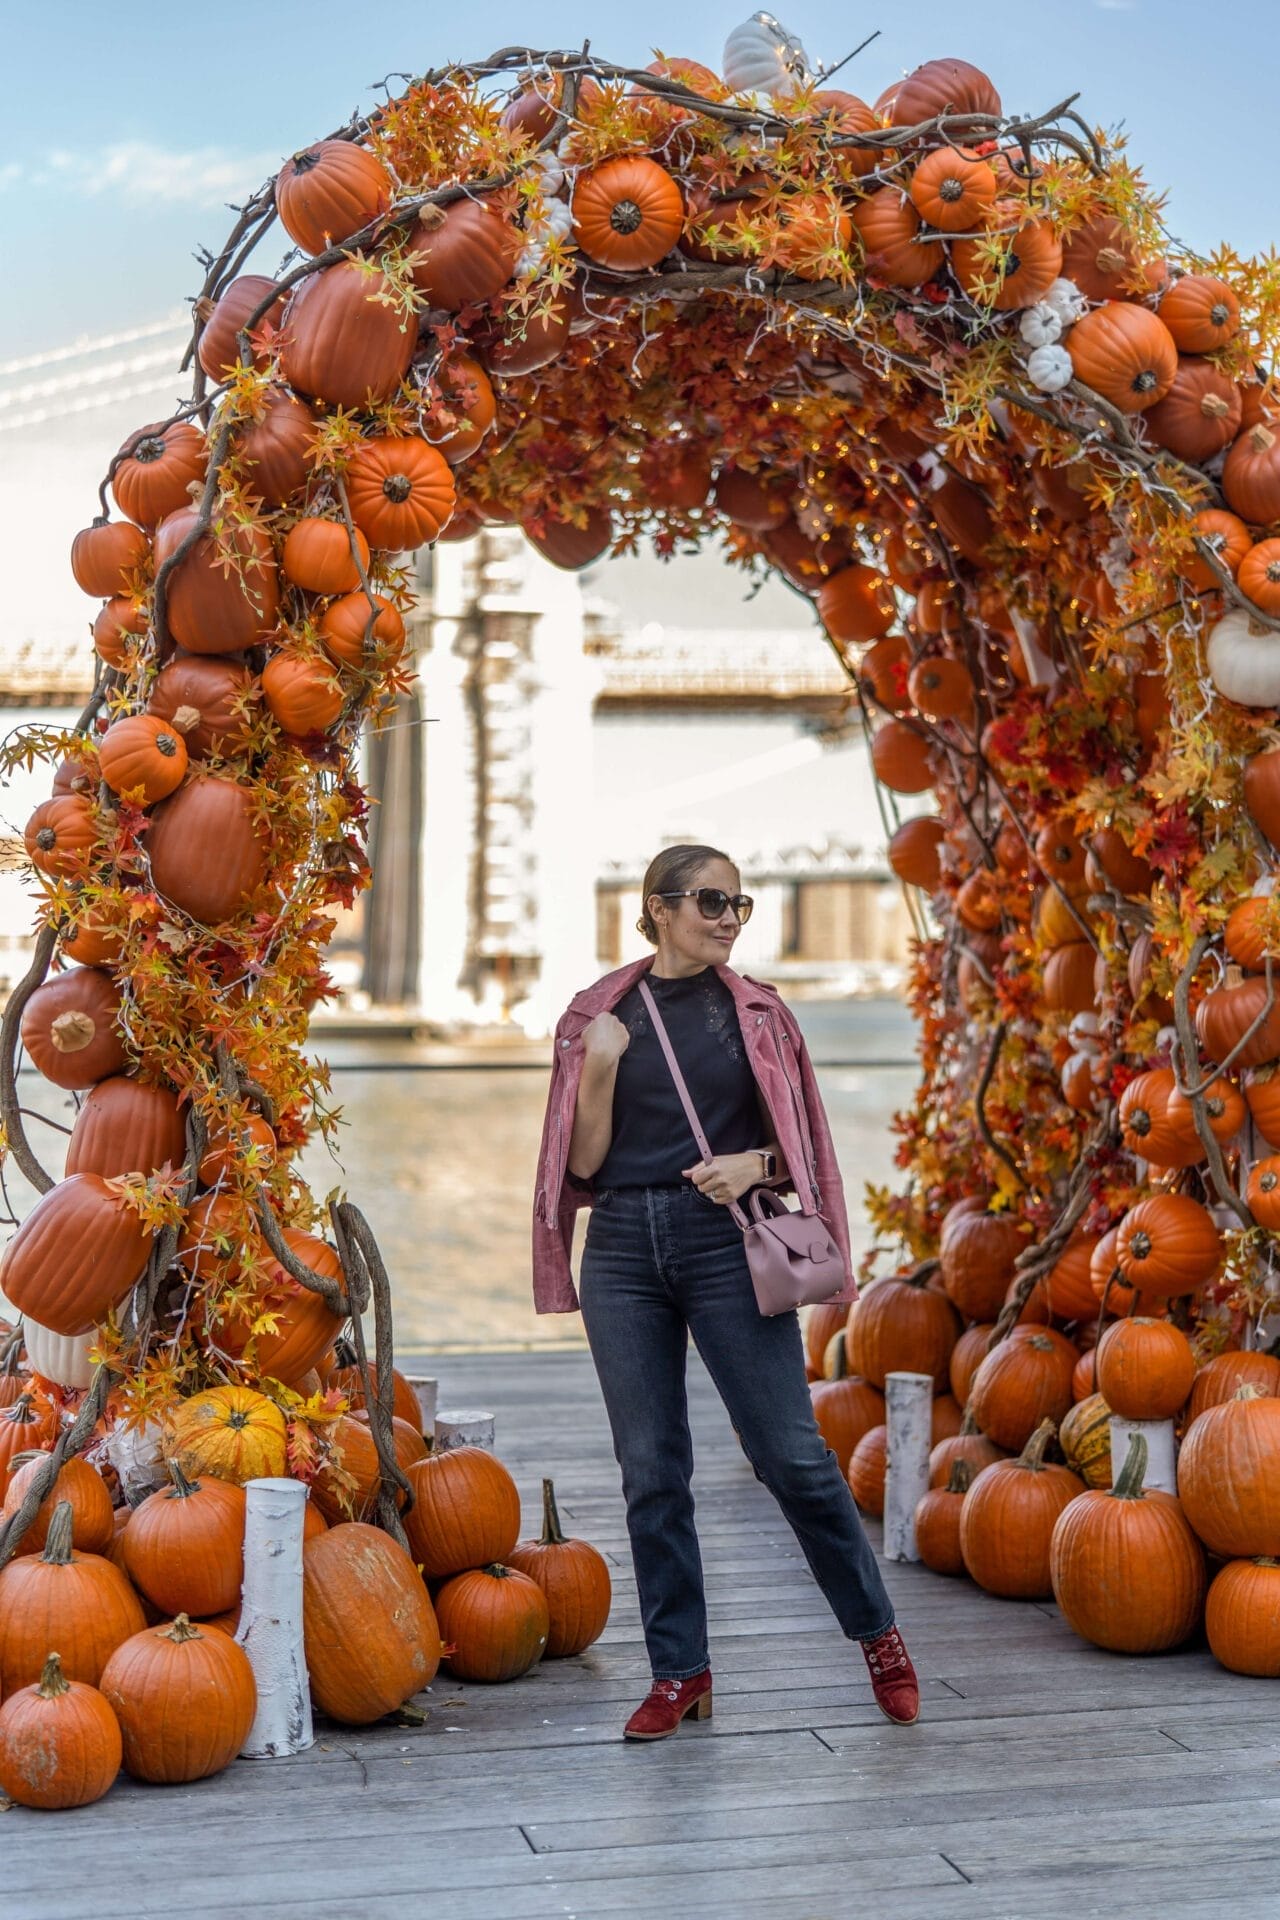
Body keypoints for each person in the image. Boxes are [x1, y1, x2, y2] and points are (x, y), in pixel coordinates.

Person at [531, 843, 918, 1740]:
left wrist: (757, 1162)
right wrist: (597, 1065)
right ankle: (680, 1673)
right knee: (651, 1472)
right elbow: (582, 1164)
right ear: (658, 909)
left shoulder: (759, 1015)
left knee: (792, 1455)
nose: (728, 919)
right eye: (711, 902)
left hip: (728, 1241)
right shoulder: (600, 1014)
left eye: (739, 905)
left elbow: (808, 1148)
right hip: (623, 1246)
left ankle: (879, 1635)